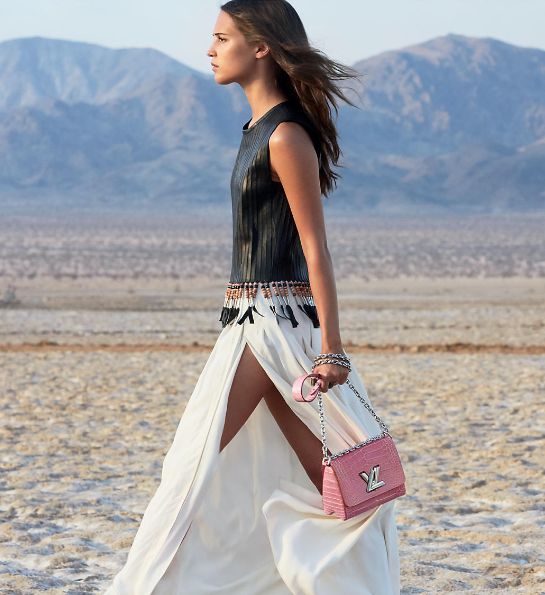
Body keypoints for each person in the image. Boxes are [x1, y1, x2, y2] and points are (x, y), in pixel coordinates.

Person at [105, 1, 401, 593]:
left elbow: (317, 251)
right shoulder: (256, 130)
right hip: (252, 323)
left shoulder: (286, 135)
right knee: (315, 473)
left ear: (261, 45)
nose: (210, 49)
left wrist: (333, 352)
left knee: (199, 469)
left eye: (221, 37)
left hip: (272, 327)